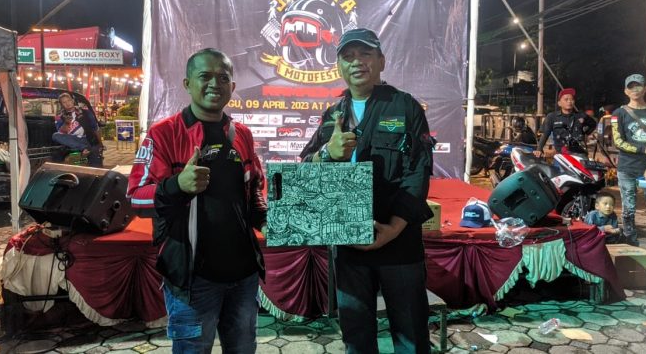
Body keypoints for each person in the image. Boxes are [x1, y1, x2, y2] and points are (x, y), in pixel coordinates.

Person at [300, 28, 436, 353]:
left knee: (412, 336)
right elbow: (306, 170)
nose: (357, 62)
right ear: (339, 66)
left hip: (398, 242)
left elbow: (418, 172)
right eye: (348, 57)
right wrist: (327, 154)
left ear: (381, 61)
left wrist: (393, 228)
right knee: (356, 337)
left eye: (365, 54)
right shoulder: (333, 116)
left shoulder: (405, 107)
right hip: (348, 244)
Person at [126, 48, 267, 353]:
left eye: (223, 77)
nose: (215, 83)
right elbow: (135, 198)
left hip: (244, 276)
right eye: (205, 76)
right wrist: (177, 185)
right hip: (193, 281)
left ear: (232, 86)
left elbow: (254, 188)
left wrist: (267, 218)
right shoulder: (162, 134)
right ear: (187, 83)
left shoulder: (242, 134)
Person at [611, 73, 646, 246]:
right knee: (628, 208)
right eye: (631, 87)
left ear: (645, 88)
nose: (635, 90)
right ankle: (630, 242)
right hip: (626, 168)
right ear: (625, 91)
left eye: (638, 86)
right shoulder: (618, 113)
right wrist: (645, 149)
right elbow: (618, 142)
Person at [534, 88, 596, 157]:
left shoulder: (581, 116)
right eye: (566, 99)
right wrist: (539, 149)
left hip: (579, 154)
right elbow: (545, 134)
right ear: (559, 103)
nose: (569, 101)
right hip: (560, 155)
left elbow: (593, 124)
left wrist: (585, 132)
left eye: (572, 99)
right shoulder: (552, 117)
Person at [52, 92, 103, 166]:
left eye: (69, 100)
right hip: (73, 143)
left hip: (88, 139)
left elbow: (95, 128)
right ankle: (84, 149)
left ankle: (86, 151)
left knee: (95, 166)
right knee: (55, 135)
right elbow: (61, 133)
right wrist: (66, 123)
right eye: (64, 102)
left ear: (73, 101)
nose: (67, 103)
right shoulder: (59, 117)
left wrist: (100, 144)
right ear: (62, 105)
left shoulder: (85, 112)